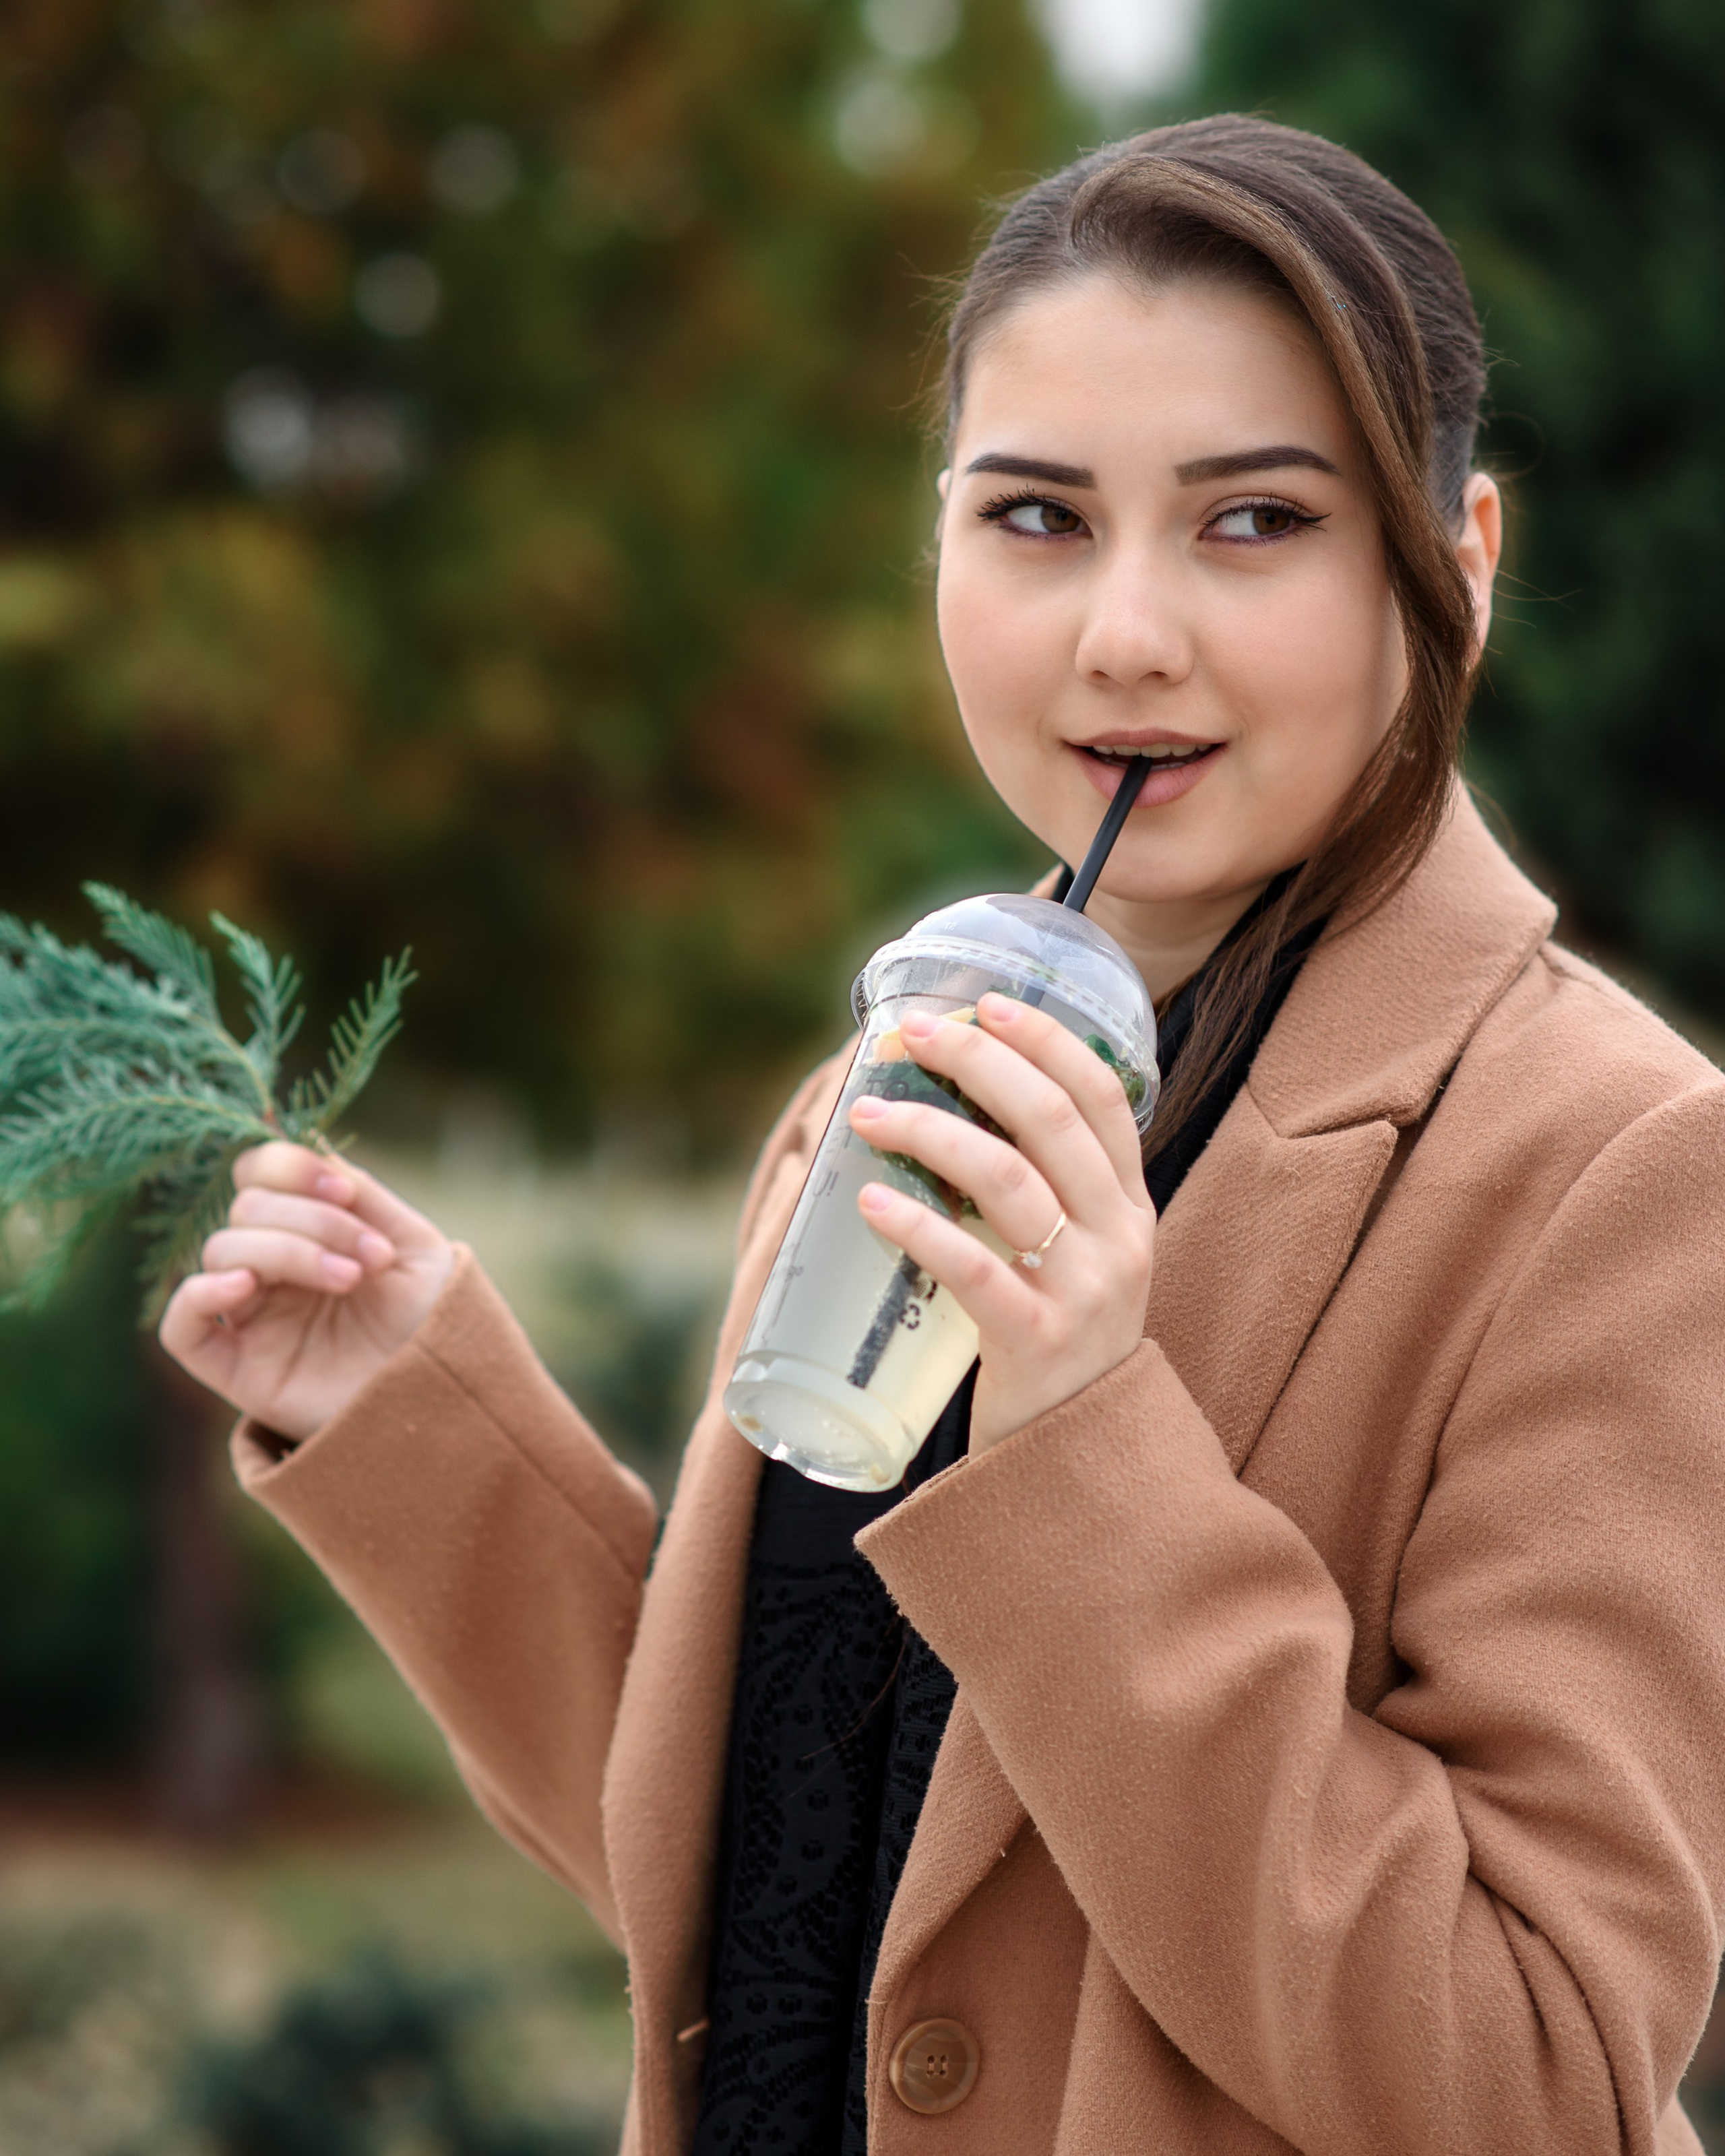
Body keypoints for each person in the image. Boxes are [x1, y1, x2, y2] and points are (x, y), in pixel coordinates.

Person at [160, 116, 1725, 2156]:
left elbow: (1532, 2076)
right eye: (1039, 517)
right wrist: (421, 1427)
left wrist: (1085, 1451)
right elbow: (795, 1876)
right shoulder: (889, 1093)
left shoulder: (1616, 1170)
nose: (1124, 634)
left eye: (1255, 521)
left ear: (1462, 566)